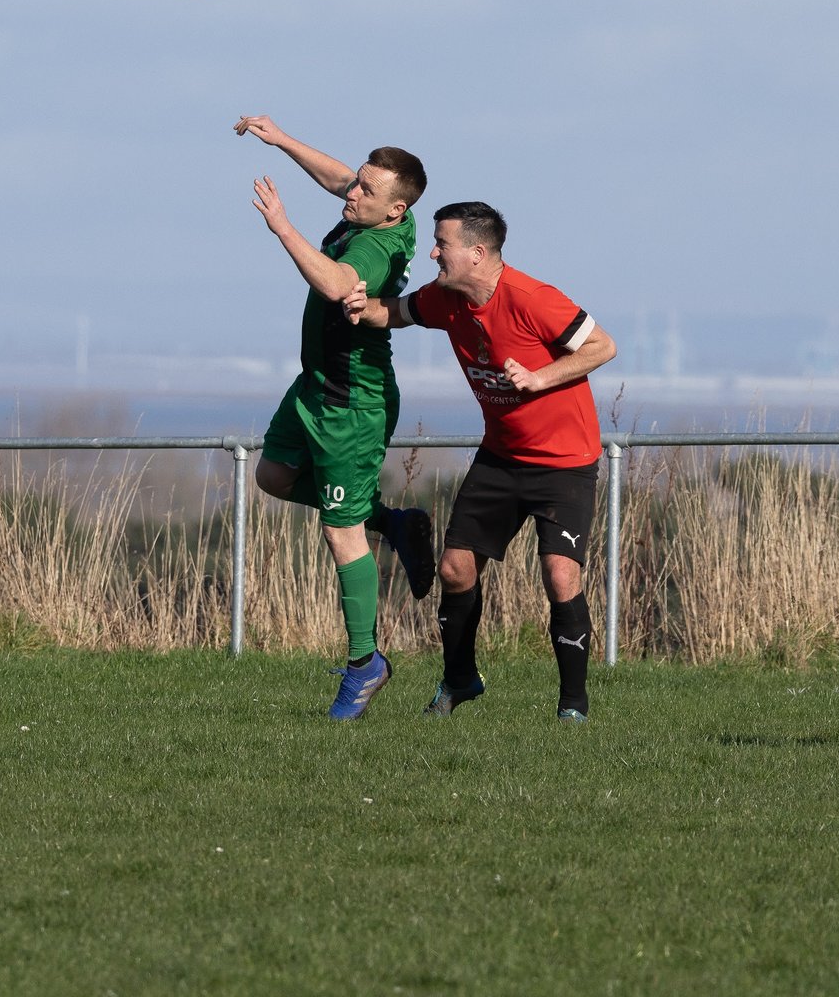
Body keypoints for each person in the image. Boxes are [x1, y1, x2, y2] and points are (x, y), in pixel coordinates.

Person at [345, 202, 617, 719]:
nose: (432, 252)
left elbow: (603, 346)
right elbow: (394, 312)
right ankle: (460, 680)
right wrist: (357, 304)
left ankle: (573, 709)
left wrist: (541, 378)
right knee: (453, 568)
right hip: (501, 458)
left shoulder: (533, 298)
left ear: (476, 252)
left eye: (441, 243)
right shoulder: (445, 300)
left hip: (565, 463)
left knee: (561, 577)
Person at [235, 114, 437, 719]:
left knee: (339, 530)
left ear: (395, 211)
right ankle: (393, 524)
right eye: (358, 183)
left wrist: (282, 228)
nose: (352, 192)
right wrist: (283, 139)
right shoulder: (376, 207)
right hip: (315, 387)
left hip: (353, 403)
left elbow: (335, 283)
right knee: (272, 476)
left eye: (366, 191)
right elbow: (340, 178)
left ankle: (364, 663)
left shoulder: (376, 244)